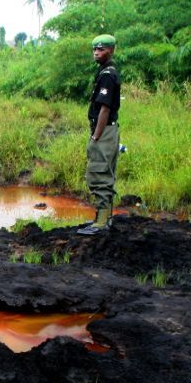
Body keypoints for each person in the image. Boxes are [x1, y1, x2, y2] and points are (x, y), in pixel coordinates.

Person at [77, 34, 121, 236]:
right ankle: (104, 218)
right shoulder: (105, 73)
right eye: (95, 49)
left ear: (111, 51)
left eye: (101, 49)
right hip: (108, 130)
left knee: (99, 175)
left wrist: (95, 138)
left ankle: (101, 223)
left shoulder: (107, 76)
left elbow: (104, 109)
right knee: (105, 174)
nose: (96, 53)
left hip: (103, 131)